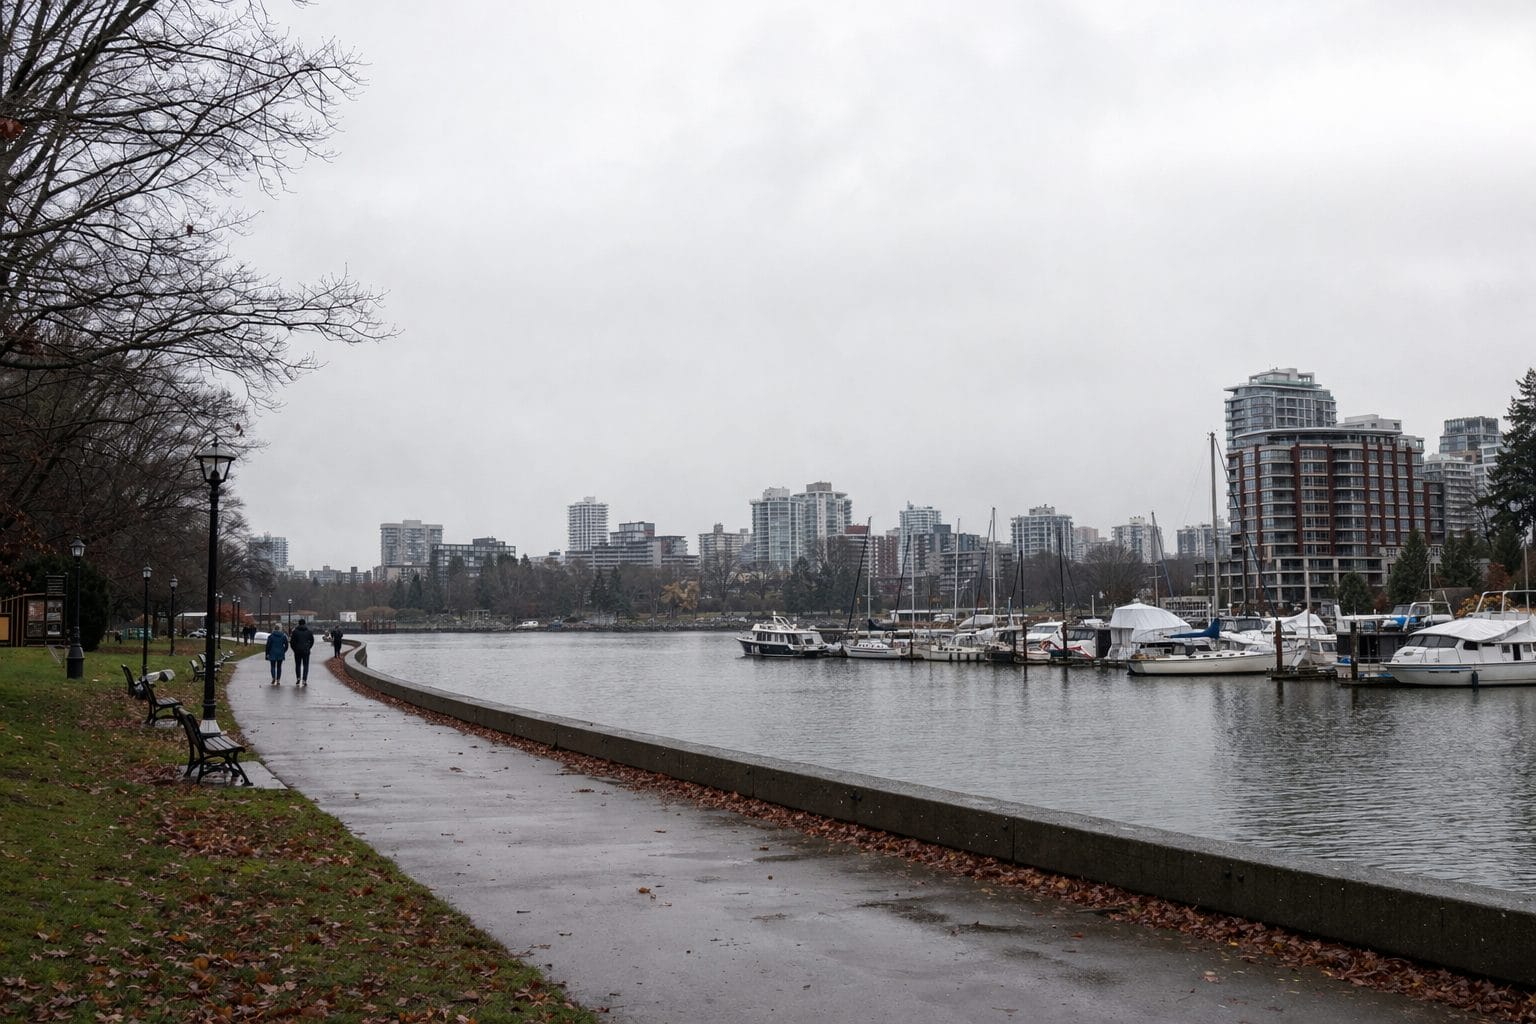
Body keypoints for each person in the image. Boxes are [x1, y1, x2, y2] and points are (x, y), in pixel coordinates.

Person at [290, 618, 315, 686]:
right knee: (305, 665)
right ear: (304, 623)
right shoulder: (309, 631)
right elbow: (312, 641)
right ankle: (304, 679)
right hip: (306, 651)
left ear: (299, 623)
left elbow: (292, 642)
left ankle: (298, 678)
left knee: (298, 665)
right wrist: (308, 647)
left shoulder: (295, 632)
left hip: (297, 651)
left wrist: (294, 649)